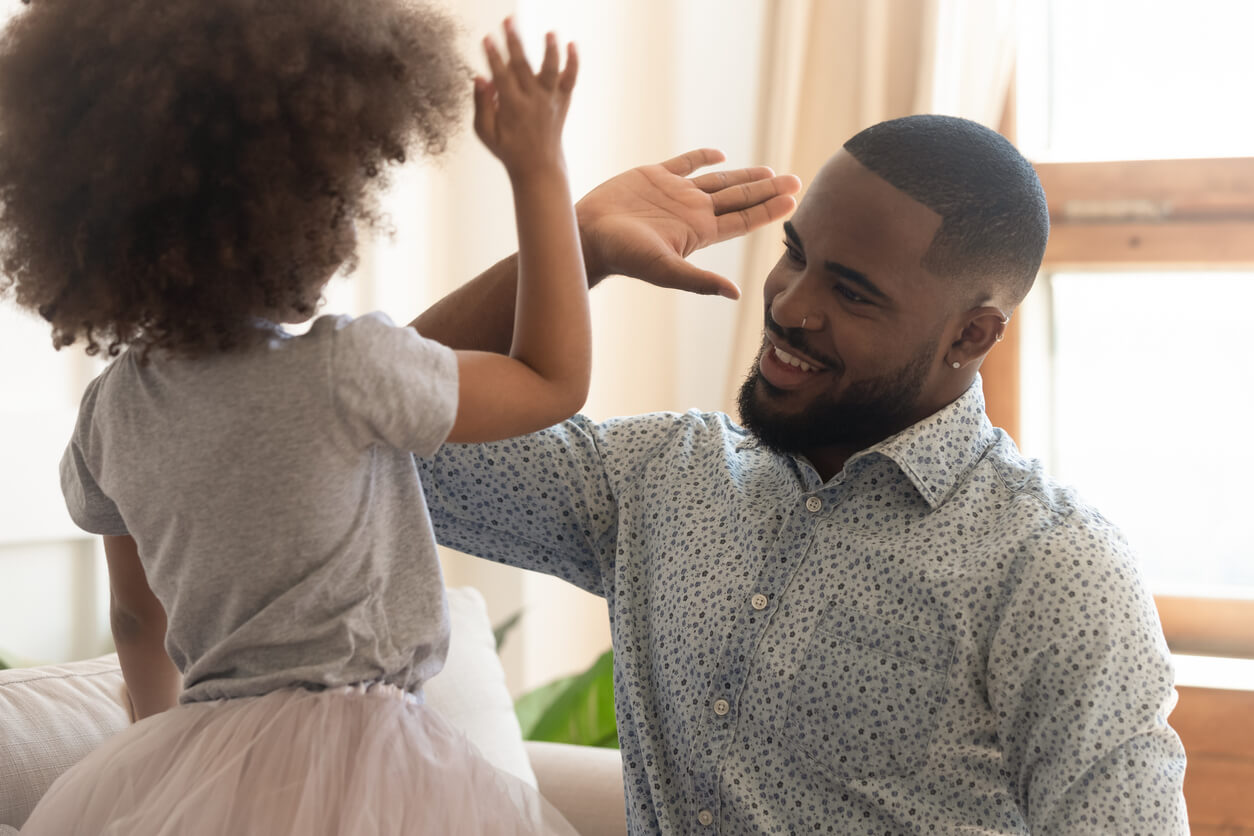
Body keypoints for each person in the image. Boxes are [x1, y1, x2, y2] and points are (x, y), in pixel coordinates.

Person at [412, 116, 1189, 834]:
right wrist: (576, 247)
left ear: (972, 333)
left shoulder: (1053, 571)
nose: (790, 303)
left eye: (851, 293)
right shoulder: (663, 476)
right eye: (795, 253)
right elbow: (375, 426)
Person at [0, 1, 617, 832]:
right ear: (310, 192)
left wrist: (174, 772)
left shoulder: (110, 412)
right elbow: (552, 378)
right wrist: (538, 169)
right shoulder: (347, 369)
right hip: (377, 758)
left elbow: (136, 618)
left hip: (212, 761)